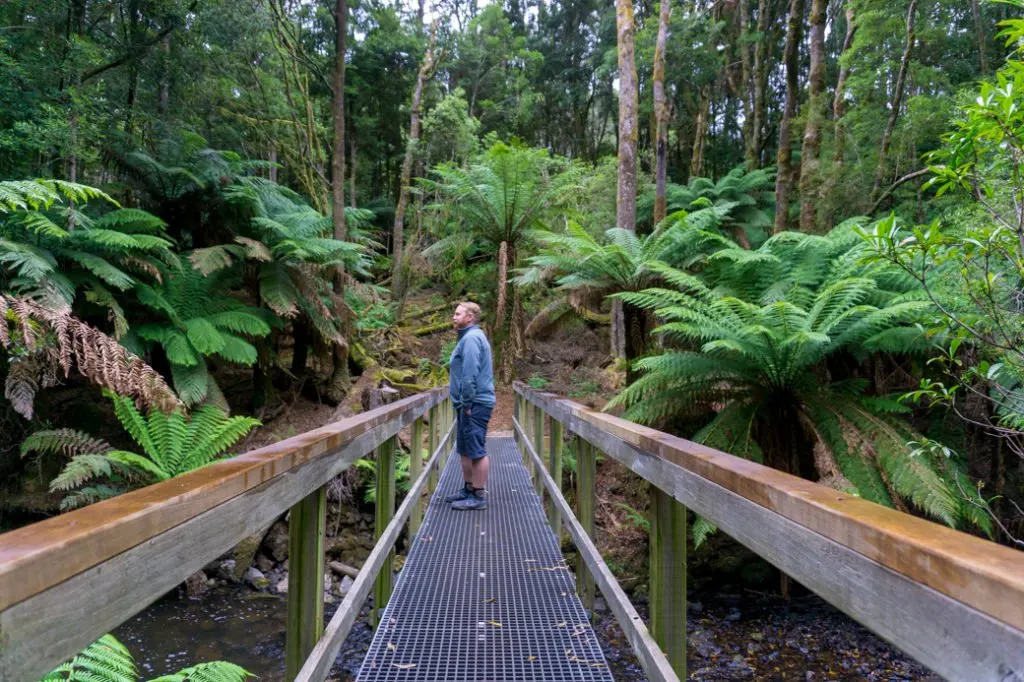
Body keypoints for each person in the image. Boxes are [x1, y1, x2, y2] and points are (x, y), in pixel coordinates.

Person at [445, 302, 496, 510]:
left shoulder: (472, 339)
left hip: (474, 403)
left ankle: (478, 496)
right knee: (465, 448)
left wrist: (466, 402)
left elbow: (469, 375)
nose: (453, 317)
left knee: (476, 449)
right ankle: (468, 489)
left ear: (470, 317)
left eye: (458, 314)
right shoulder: (467, 338)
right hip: (468, 403)